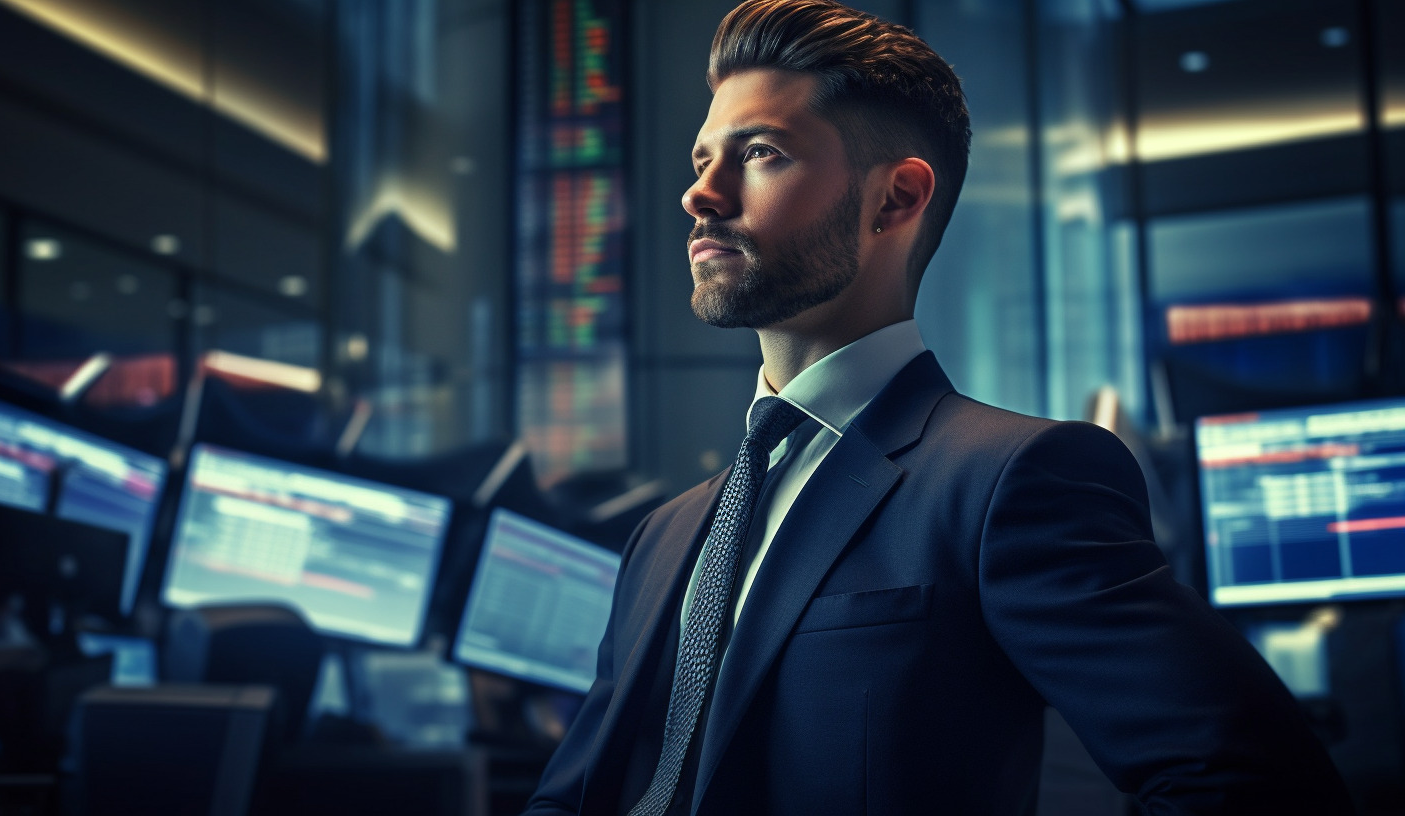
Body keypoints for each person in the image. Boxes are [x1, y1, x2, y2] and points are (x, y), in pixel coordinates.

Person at [524, 1, 1354, 813]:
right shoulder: (663, 536)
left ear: (895, 200)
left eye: (762, 153)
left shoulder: (1013, 482)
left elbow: (1258, 782)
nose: (700, 195)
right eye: (703, 159)